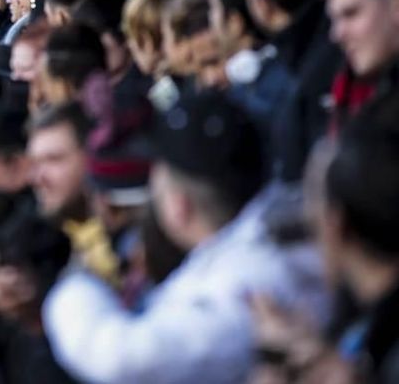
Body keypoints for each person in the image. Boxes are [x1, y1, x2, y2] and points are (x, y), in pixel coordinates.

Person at [43, 91, 328, 383]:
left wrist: (73, 286)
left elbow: (122, 358)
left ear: (179, 206)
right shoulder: (293, 221)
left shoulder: (243, 283)